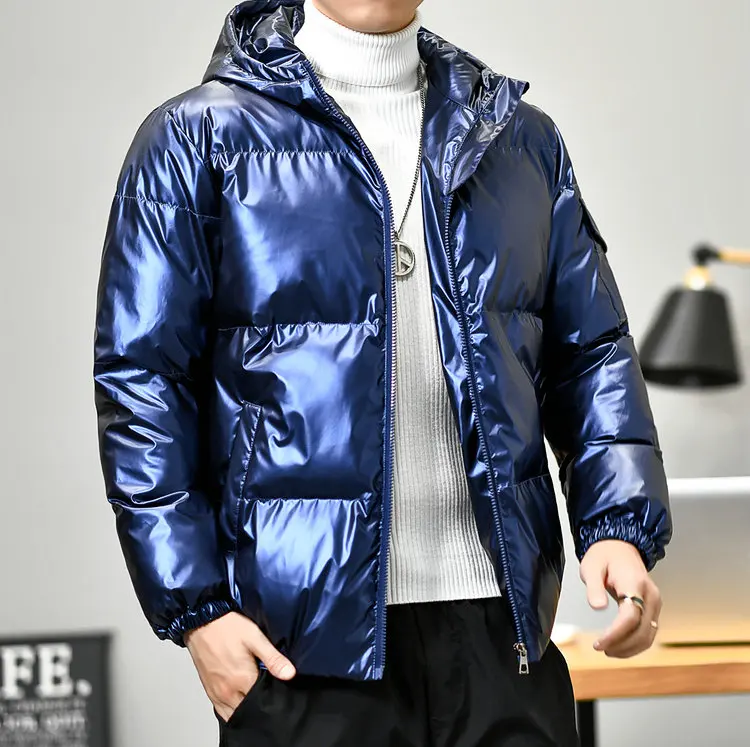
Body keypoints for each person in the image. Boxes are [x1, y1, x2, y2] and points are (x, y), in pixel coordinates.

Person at [93, 0, 672, 744]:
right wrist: (198, 609)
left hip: (502, 637)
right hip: (303, 652)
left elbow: (591, 354)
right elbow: (143, 382)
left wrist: (616, 525)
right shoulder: (196, 138)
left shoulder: (519, 141)